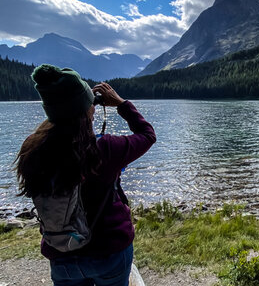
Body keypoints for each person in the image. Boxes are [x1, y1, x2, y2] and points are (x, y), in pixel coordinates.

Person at [15, 64, 156, 286]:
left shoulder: (32, 149)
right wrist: (120, 103)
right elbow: (147, 135)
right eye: (90, 102)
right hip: (108, 250)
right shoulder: (104, 148)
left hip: (62, 252)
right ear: (85, 109)